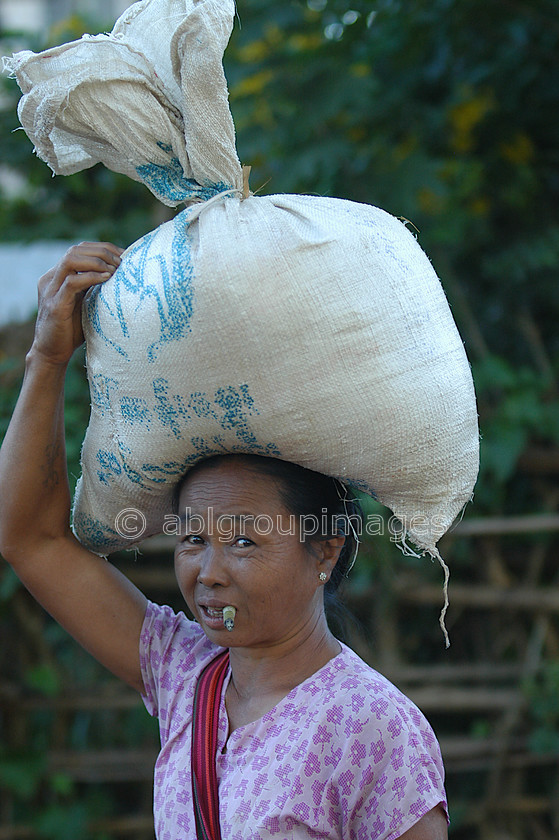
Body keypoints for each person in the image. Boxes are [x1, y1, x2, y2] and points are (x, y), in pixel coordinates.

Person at [0, 242, 449, 840]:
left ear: (325, 547)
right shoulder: (185, 674)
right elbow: (30, 539)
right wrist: (48, 357)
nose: (207, 573)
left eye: (243, 543)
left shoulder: (373, 727)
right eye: (192, 539)